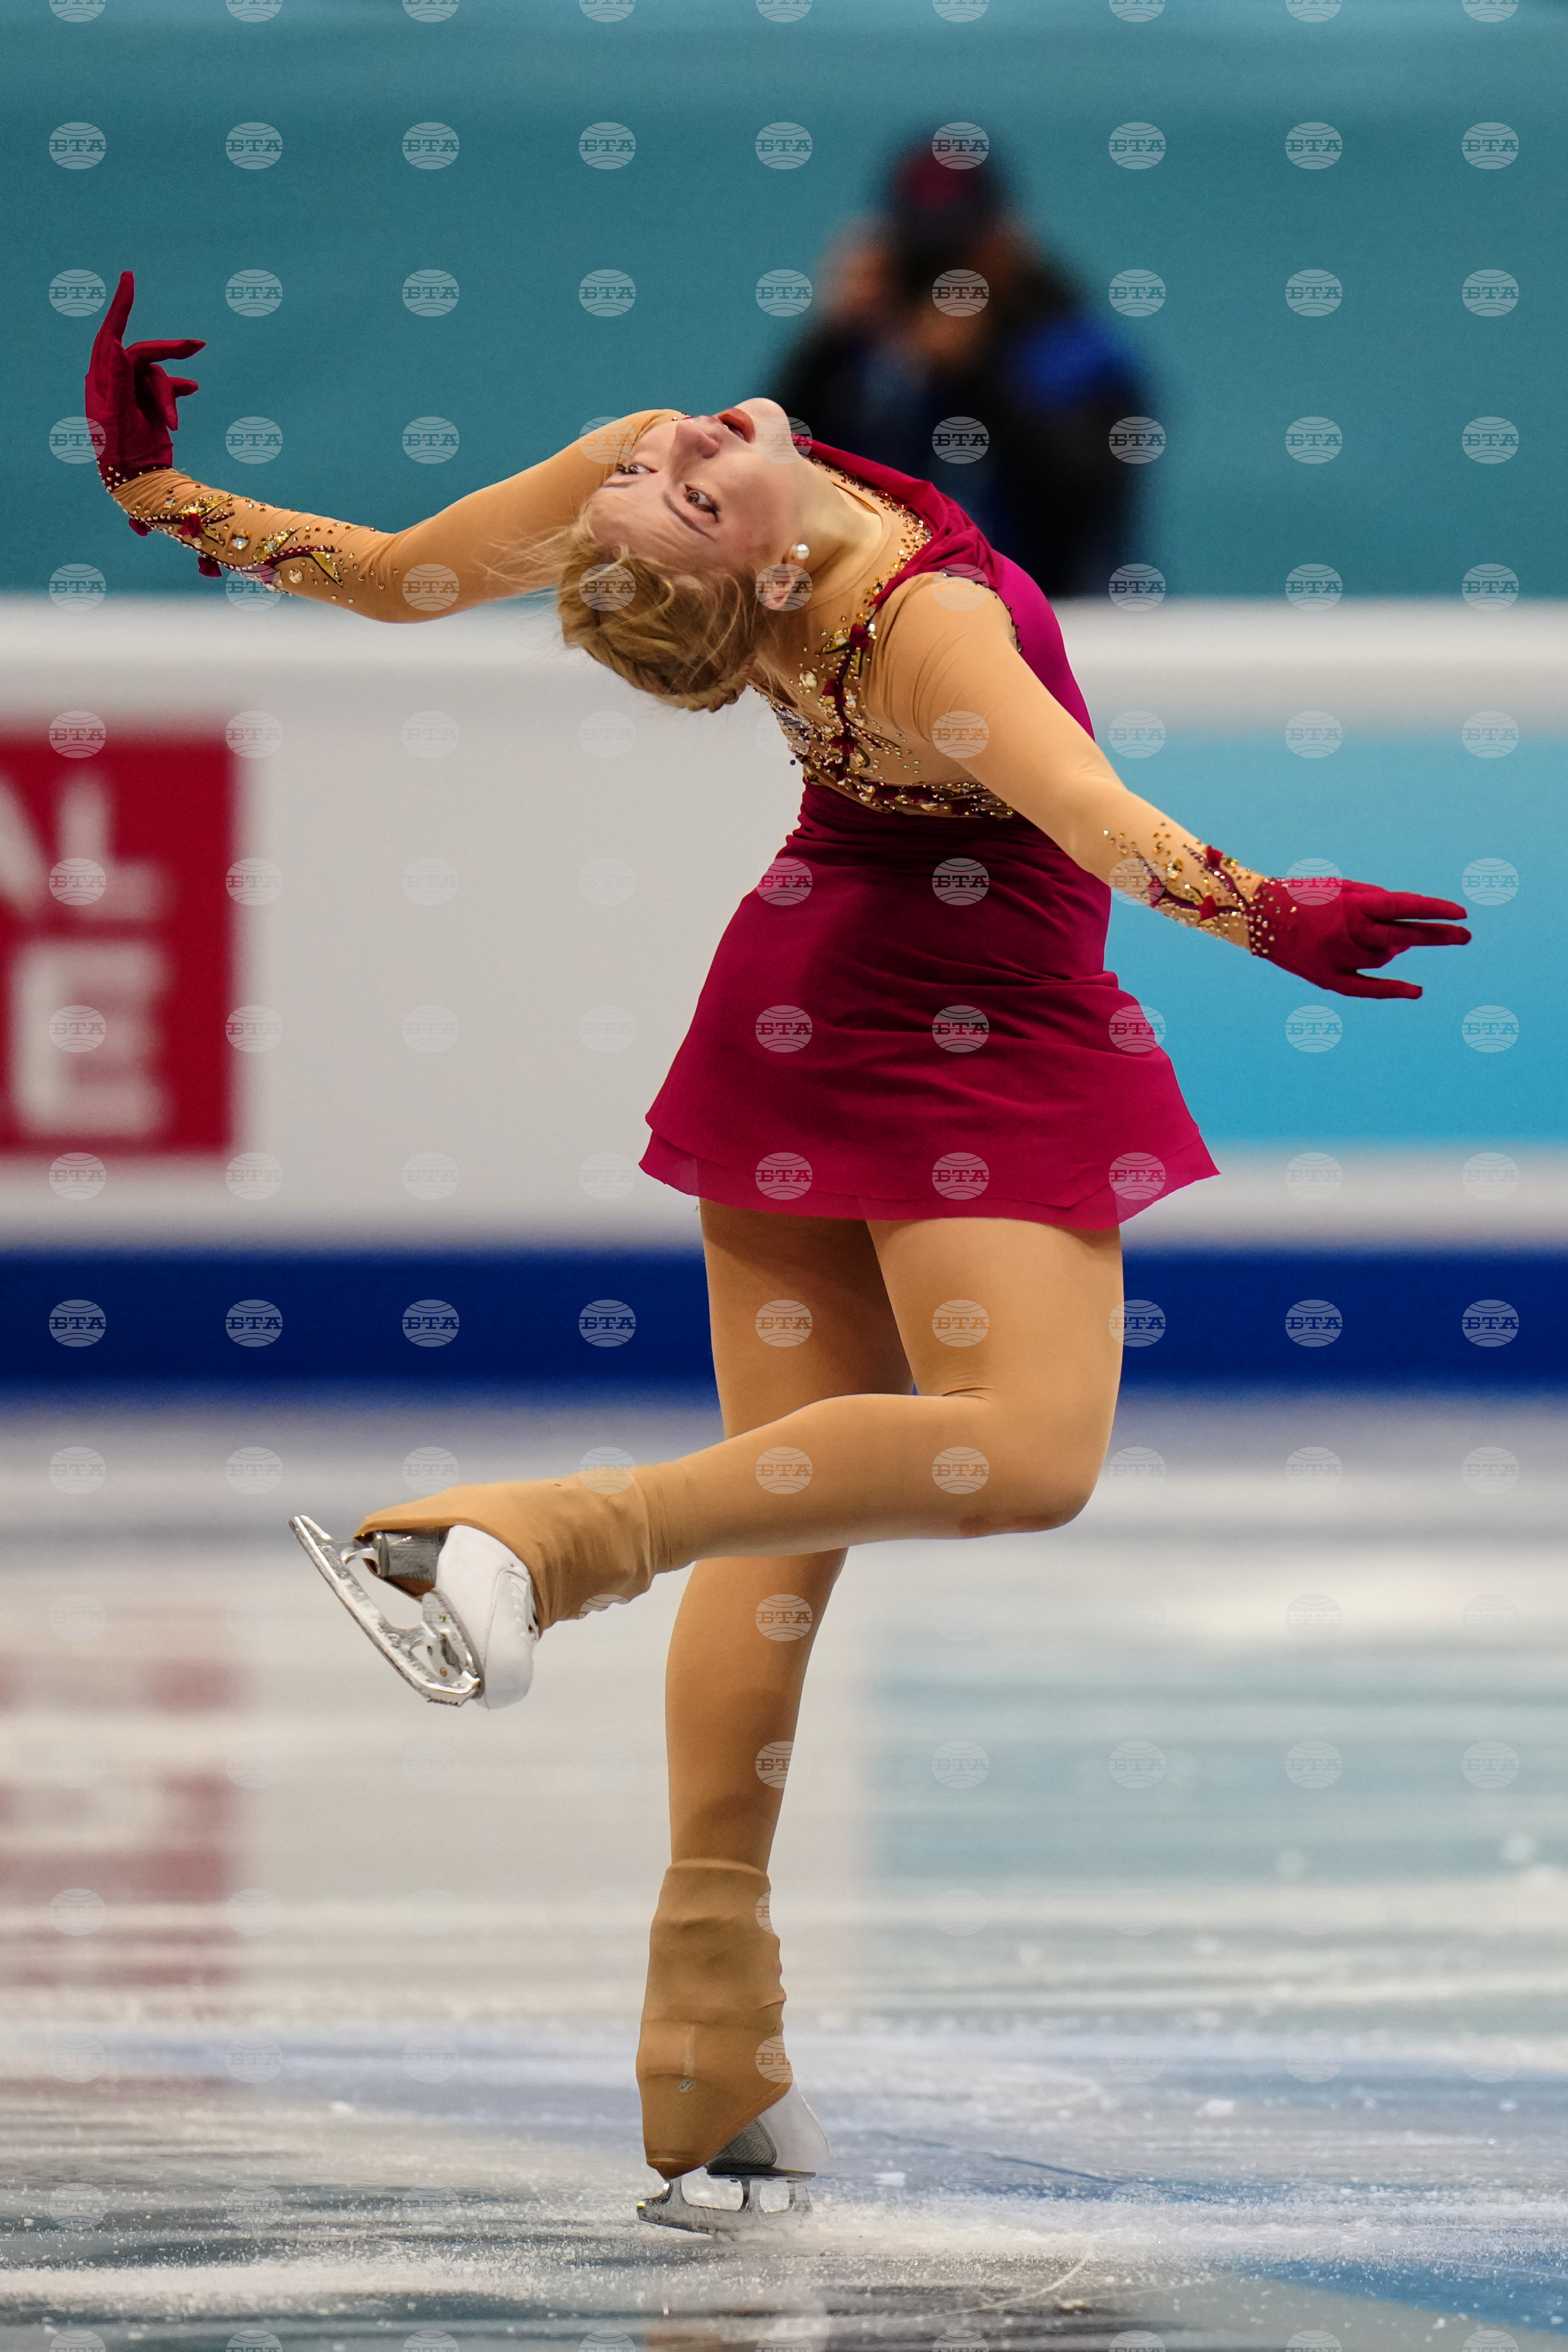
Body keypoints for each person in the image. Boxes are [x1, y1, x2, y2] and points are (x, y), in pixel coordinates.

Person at [85, 274, 1469, 2235]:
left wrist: (163, 496)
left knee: (791, 1518)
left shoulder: (756, 529)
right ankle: (541, 1539)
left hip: (812, 1006)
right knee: (1026, 1453)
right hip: (951, 1033)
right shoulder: (930, 634)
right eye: (673, 490)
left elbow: (402, 577)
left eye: (663, 472)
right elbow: (1093, 819)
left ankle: (709, 2055)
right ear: (737, 587)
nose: (676, 451)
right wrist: (1269, 914)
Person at [771, 144, 1149, 598]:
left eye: (958, 253)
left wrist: (977, 373)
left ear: (1003, 243)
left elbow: (1084, 502)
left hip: (1051, 620)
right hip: (876, 620)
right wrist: (829, 340)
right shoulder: (859, 358)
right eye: (924, 255)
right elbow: (779, 464)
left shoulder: (1074, 353)